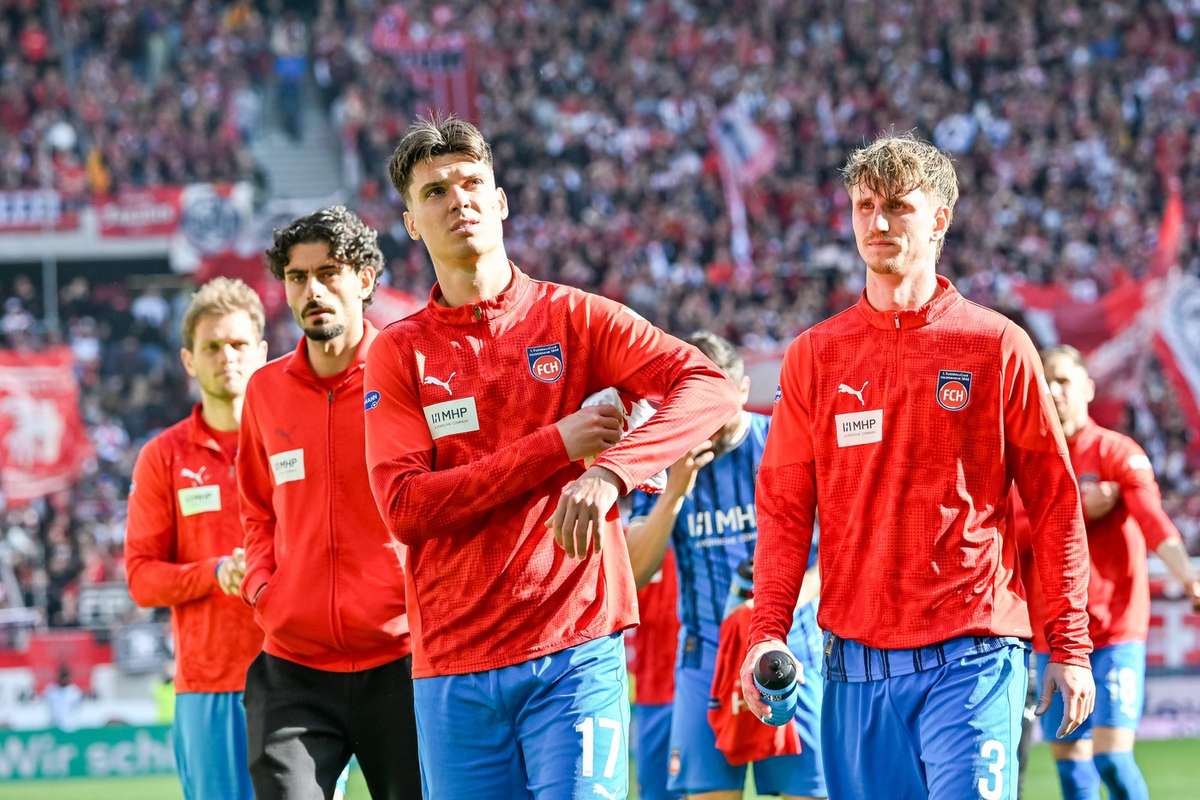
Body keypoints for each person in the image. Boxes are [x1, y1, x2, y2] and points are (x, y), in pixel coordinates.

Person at [363, 115, 740, 799]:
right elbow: (406, 509)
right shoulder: (398, 352)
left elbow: (710, 387)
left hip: (573, 648)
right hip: (453, 664)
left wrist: (612, 469)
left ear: (501, 201)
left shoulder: (576, 318)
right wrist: (557, 446)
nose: (459, 201)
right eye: (435, 192)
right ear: (411, 222)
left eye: (473, 183)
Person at [738, 132, 1096, 800]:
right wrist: (767, 633)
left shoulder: (997, 346)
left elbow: (1055, 503)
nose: (877, 223)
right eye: (864, 205)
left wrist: (1069, 645)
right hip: (855, 664)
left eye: (898, 206)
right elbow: (785, 510)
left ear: (939, 219)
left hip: (974, 652)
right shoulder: (815, 356)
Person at [237, 206, 420, 799]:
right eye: (297, 276)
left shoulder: (408, 375)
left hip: (403, 661)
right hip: (294, 665)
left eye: (330, 271)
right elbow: (256, 510)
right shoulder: (264, 391)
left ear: (365, 280)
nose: (312, 290)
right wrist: (265, 589)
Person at [626, 331, 825, 800]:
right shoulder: (667, 458)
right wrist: (675, 492)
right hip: (705, 654)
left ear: (740, 389)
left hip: (790, 647)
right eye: (692, 401)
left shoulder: (784, 444)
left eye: (715, 400)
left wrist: (778, 604)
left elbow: (834, 558)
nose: (706, 419)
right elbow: (633, 572)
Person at [1018, 345, 1200, 800]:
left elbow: (1154, 522)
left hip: (1115, 629)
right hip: (1054, 635)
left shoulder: (1116, 451)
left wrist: (1189, 579)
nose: (1054, 391)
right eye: (1045, 381)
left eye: (1063, 380)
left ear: (1087, 387)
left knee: (1111, 759)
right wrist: (1078, 507)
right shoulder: (1024, 461)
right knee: (1073, 774)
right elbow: (1011, 531)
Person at [125, 277, 268, 800]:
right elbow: (141, 579)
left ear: (262, 351)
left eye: (237, 344)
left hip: (303, 676)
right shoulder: (163, 457)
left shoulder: (295, 440)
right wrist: (213, 573)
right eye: (211, 346)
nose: (226, 357)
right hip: (210, 687)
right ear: (188, 360)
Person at [627, 547, 682, 800]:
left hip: (697, 685)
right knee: (656, 791)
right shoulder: (630, 533)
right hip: (653, 690)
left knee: (707, 787)